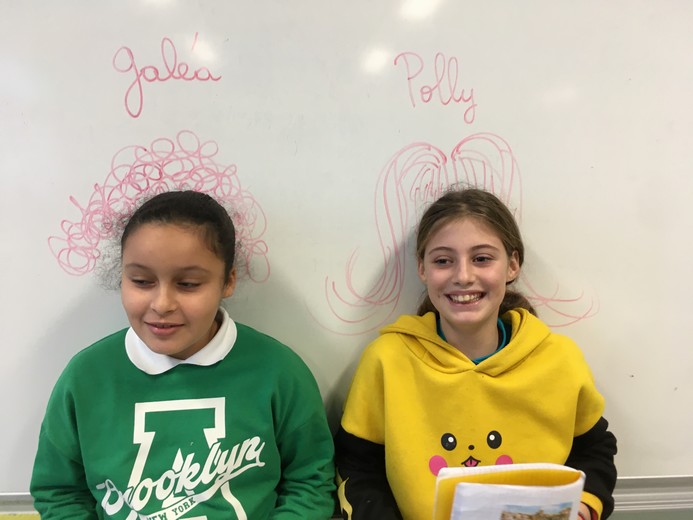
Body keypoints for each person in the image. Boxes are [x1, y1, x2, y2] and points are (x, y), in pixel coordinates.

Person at [31, 190, 336, 519]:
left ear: (228, 281)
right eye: (141, 281)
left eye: (188, 284)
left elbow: (310, 483)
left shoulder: (280, 372)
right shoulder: (85, 377)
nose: (162, 304)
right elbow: (60, 492)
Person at [334, 187, 617, 520]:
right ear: (422, 269)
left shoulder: (560, 359)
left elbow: (594, 449)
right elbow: (357, 466)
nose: (463, 276)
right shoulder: (386, 359)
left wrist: (585, 505)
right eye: (443, 261)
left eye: (482, 258)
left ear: (512, 265)